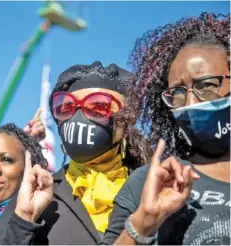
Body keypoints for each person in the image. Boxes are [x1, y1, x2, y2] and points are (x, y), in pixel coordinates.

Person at [103, 12, 230, 245]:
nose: (191, 103)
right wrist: (143, 223)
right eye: (178, 93)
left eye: (207, 85)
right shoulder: (151, 182)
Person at [0, 61, 152, 245]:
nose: (78, 116)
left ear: (127, 123)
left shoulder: (151, 188)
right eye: (66, 107)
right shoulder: (34, 196)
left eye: (98, 106)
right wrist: (23, 220)